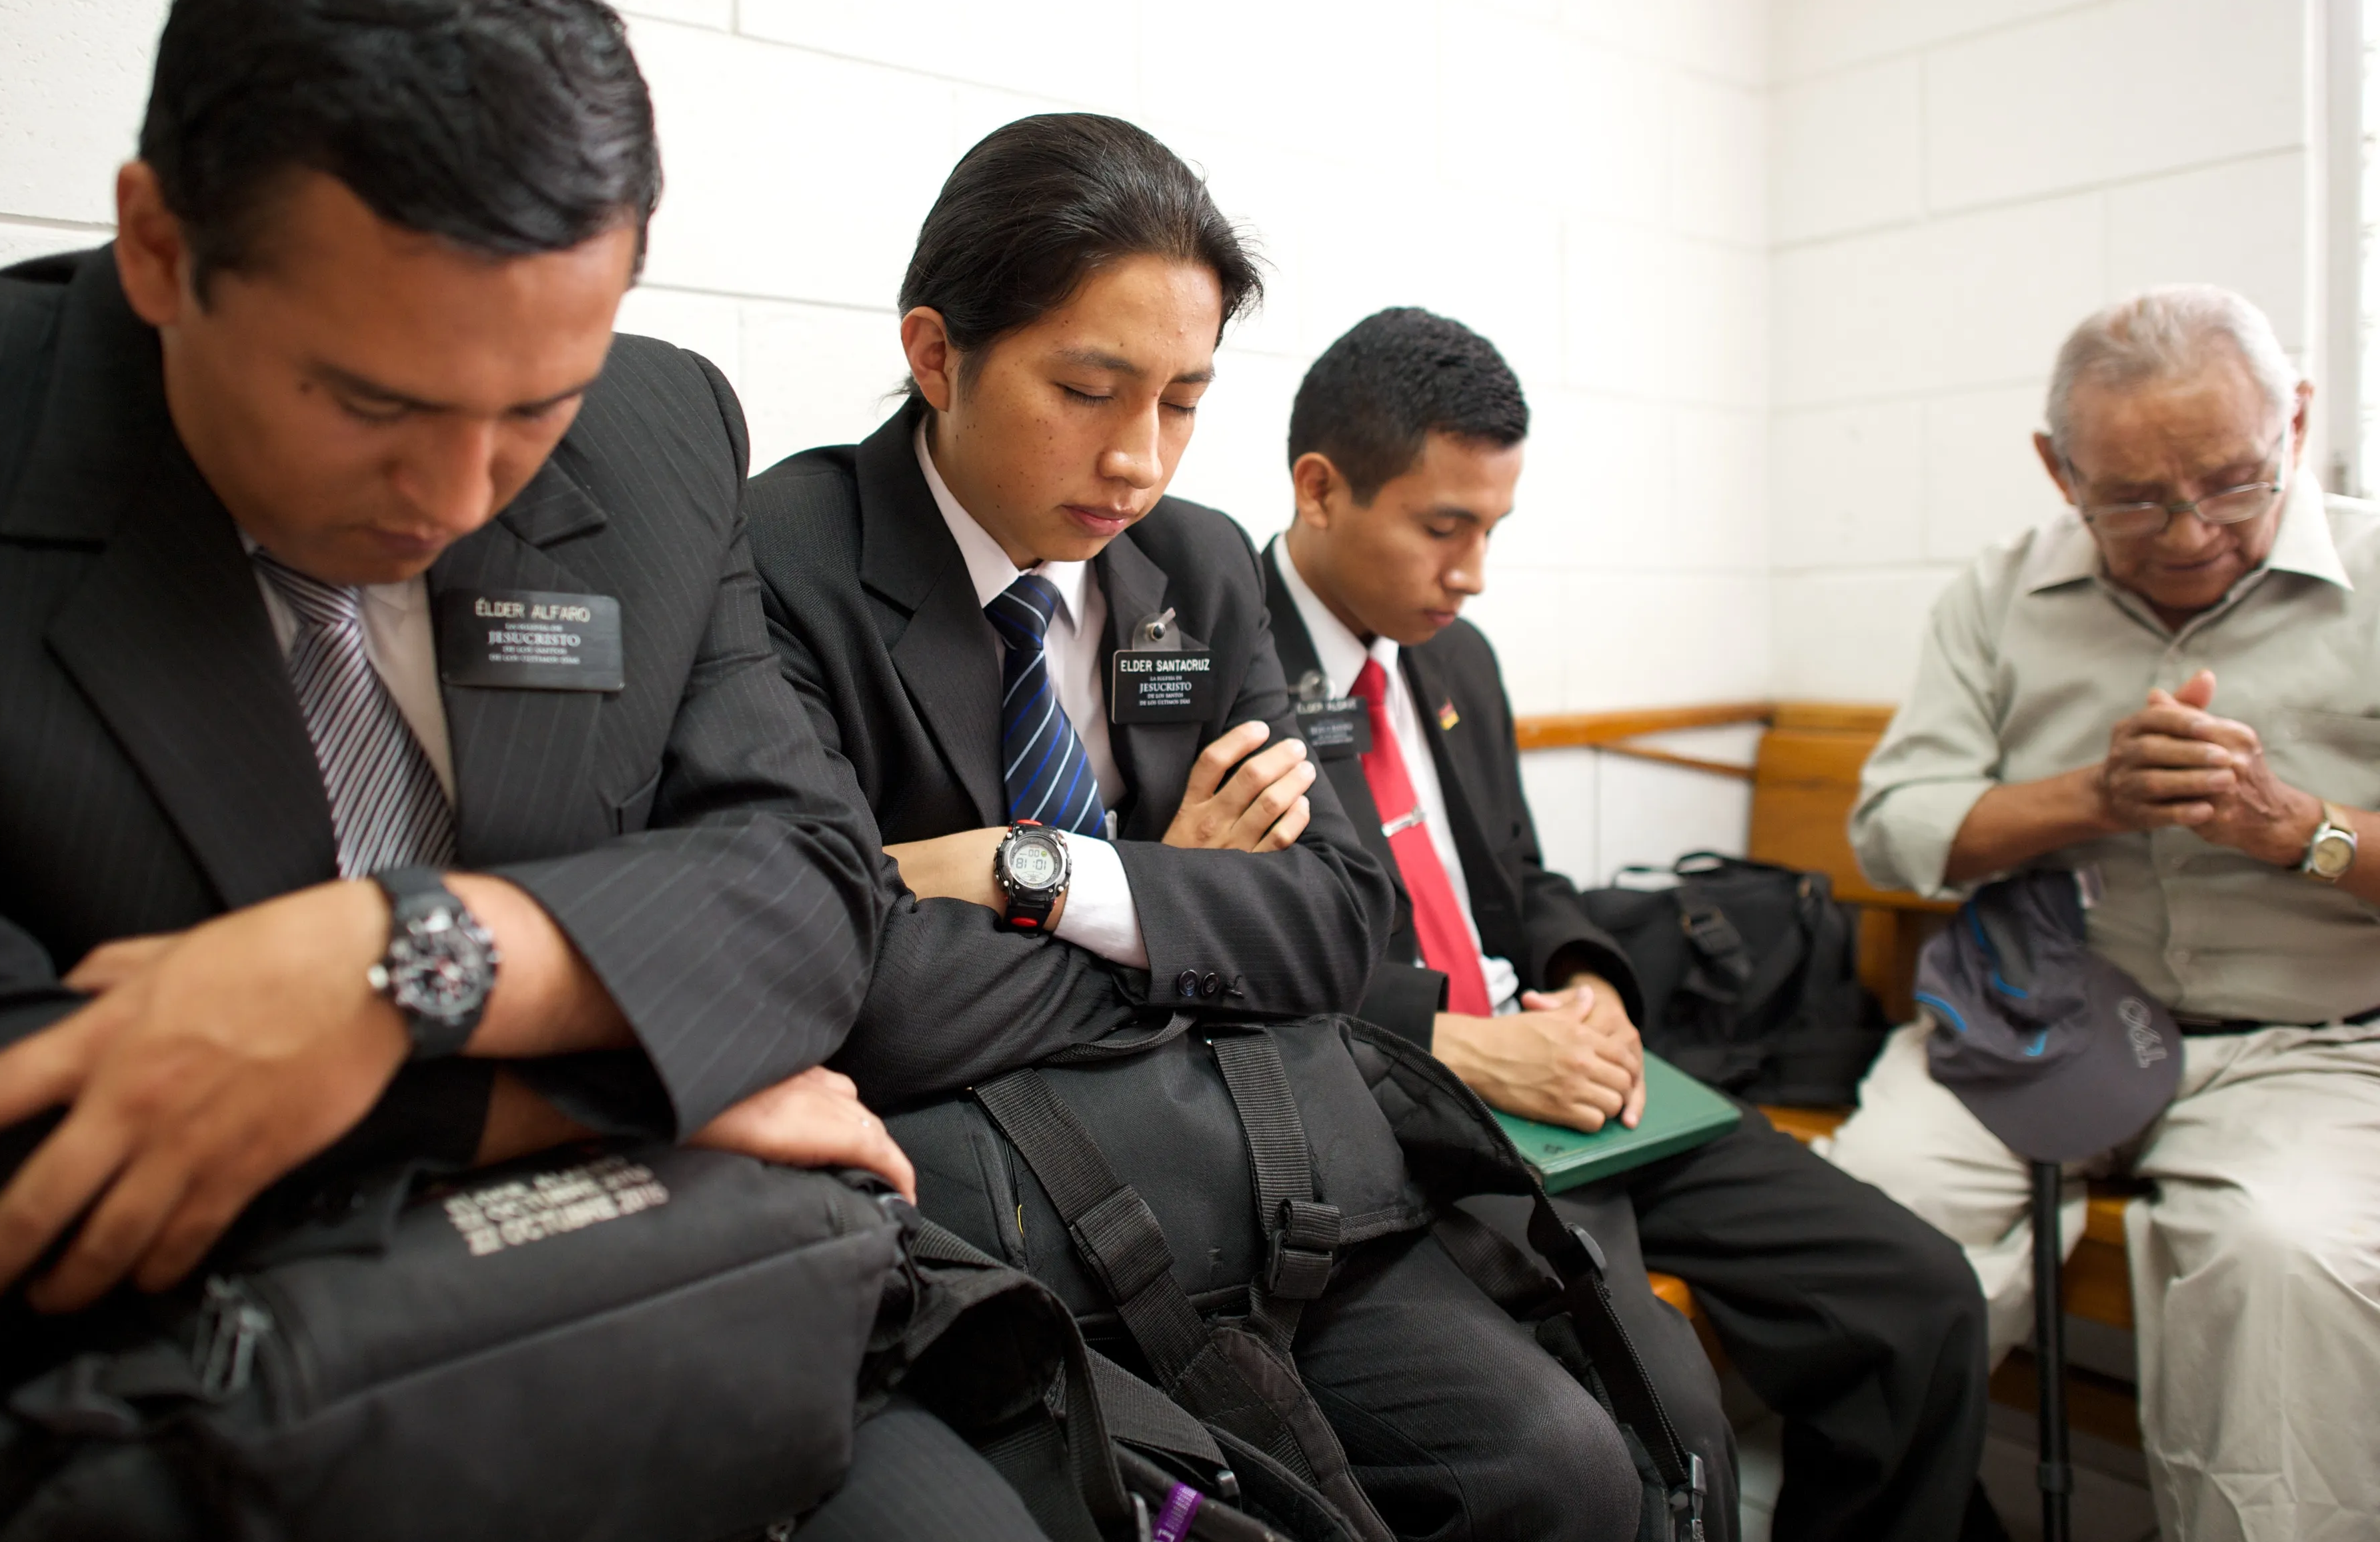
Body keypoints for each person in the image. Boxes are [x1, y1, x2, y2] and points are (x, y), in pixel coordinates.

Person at [0, 0, 1050, 1539]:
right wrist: (558, 1086)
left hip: (662, 1288)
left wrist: (395, 963)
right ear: (160, 247)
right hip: (151, 1382)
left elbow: (811, 888)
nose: (461, 496)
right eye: (370, 405)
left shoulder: (659, 431)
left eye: (533, 408)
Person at [747, 115, 1647, 1542]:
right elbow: (859, 991)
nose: (1136, 460)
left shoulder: (1198, 564)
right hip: (994, 1224)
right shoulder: (784, 561)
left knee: (1561, 1469)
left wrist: (1030, 871)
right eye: (1086, 390)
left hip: (1259, 1173)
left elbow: (1344, 919)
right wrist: (1182, 895)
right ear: (936, 355)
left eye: (1182, 400)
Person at [1264, 307, 1998, 1542]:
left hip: (1561, 1062)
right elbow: (1231, 958)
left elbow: (1523, 883)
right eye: (1444, 528)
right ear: (1322, 490)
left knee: (1917, 1296)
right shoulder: (1208, 658)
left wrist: (1591, 979)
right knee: (1669, 1424)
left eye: (1493, 529)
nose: (1475, 572)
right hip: (1406, 1102)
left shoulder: (1457, 662)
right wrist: (1450, 1039)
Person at [1828, 284, 2380, 1542]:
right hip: (2047, 1014)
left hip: (2314, 1048)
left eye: (2237, 483)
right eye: (2132, 498)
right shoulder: (1997, 593)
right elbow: (1895, 831)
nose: (2190, 532)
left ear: (2296, 420)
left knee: (2286, 1263)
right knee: (1875, 1216)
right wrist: (2090, 797)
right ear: (2055, 467)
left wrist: (2305, 832)